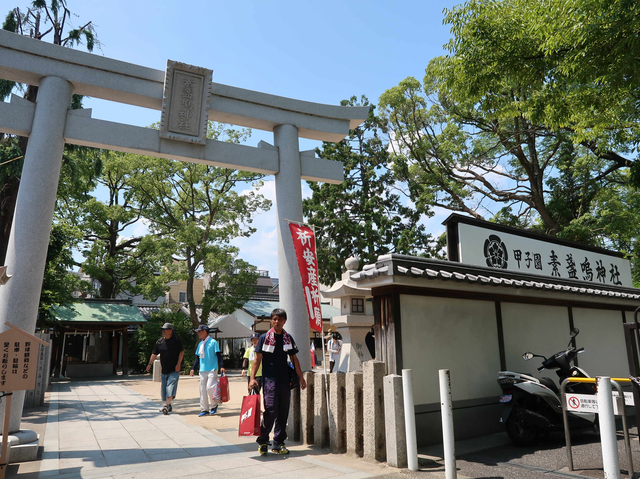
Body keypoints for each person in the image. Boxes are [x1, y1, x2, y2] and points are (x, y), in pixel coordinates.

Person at [249, 308, 306, 455]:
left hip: (284, 381)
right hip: (269, 380)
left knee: (283, 412)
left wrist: (301, 377)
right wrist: (252, 378)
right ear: (271, 320)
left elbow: (294, 359)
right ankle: (262, 440)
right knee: (271, 410)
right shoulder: (264, 338)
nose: (277, 322)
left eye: (280, 319)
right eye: (274, 319)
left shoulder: (288, 338)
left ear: (284, 321)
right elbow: (257, 359)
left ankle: (278, 443)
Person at [146, 322, 184, 415]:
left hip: (174, 369)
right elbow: (154, 353)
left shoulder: (176, 341)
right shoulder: (159, 342)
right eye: (162, 330)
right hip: (164, 369)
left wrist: (179, 364)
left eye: (165, 329)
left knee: (170, 387)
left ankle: (166, 405)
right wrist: (149, 364)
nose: (163, 331)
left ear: (170, 331)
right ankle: (169, 404)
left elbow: (181, 352)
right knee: (164, 388)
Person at [189, 324, 225, 416]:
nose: (198, 333)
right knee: (202, 390)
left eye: (199, 331)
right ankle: (204, 409)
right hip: (202, 370)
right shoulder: (200, 344)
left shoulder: (213, 342)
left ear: (205, 331)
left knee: (210, 387)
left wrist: (222, 366)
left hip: (212, 369)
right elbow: (197, 358)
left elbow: (219, 355)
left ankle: (214, 404)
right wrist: (193, 368)